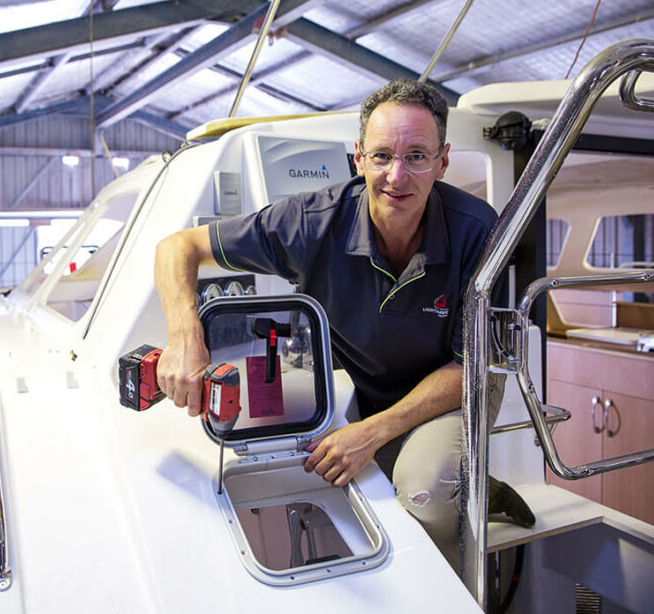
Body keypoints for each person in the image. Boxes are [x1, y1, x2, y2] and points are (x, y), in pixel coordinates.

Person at [152, 78, 532, 573]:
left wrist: (369, 433)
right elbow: (176, 247)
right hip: (374, 381)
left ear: (443, 161)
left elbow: (470, 369)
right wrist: (186, 338)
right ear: (358, 158)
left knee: (426, 491)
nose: (397, 176)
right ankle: (466, 481)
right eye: (381, 156)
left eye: (417, 156)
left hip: (456, 384)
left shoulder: (480, 232)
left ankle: (448, 553)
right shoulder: (311, 222)